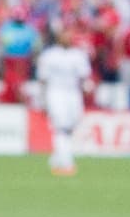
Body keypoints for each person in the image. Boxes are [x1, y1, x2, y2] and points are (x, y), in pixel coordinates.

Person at [36, 27, 92, 176]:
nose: (67, 36)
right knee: (61, 127)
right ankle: (67, 163)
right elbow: (43, 79)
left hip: (73, 93)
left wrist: (87, 89)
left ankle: (57, 157)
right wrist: (42, 99)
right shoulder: (49, 55)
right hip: (55, 92)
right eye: (64, 33)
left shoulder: (78, 55)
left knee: (72, 125)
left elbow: (84, 77)